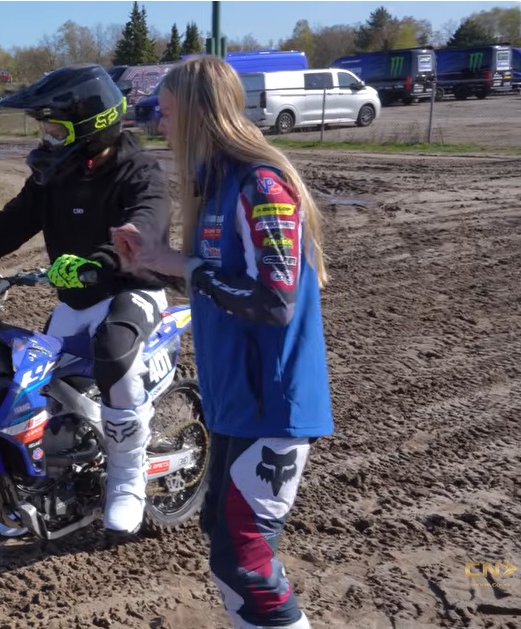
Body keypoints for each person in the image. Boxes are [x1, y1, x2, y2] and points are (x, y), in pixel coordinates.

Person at [111, 55, 333, 629]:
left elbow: (274, 303)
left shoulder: (260, 185)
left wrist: (185, 265)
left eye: (166, 113)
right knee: (223, 538)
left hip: (275, 405)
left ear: (200, 115)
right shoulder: (214, 188)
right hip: (237, 403)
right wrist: (156, 261)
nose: (160, 125)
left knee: (246, 557)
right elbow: (214, 282)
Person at [0, 64, 175, 537]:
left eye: (55, 128)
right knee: (28, 388)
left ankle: (127, 479)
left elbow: (146, 224)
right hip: (75, 297)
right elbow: (10, 224)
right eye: (45, 128)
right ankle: (41, 489)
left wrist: (99, 259)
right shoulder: (57, 173)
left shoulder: (140, 173)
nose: (47, 138)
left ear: (91, 127)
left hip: (131, 288)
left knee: (112, 352)